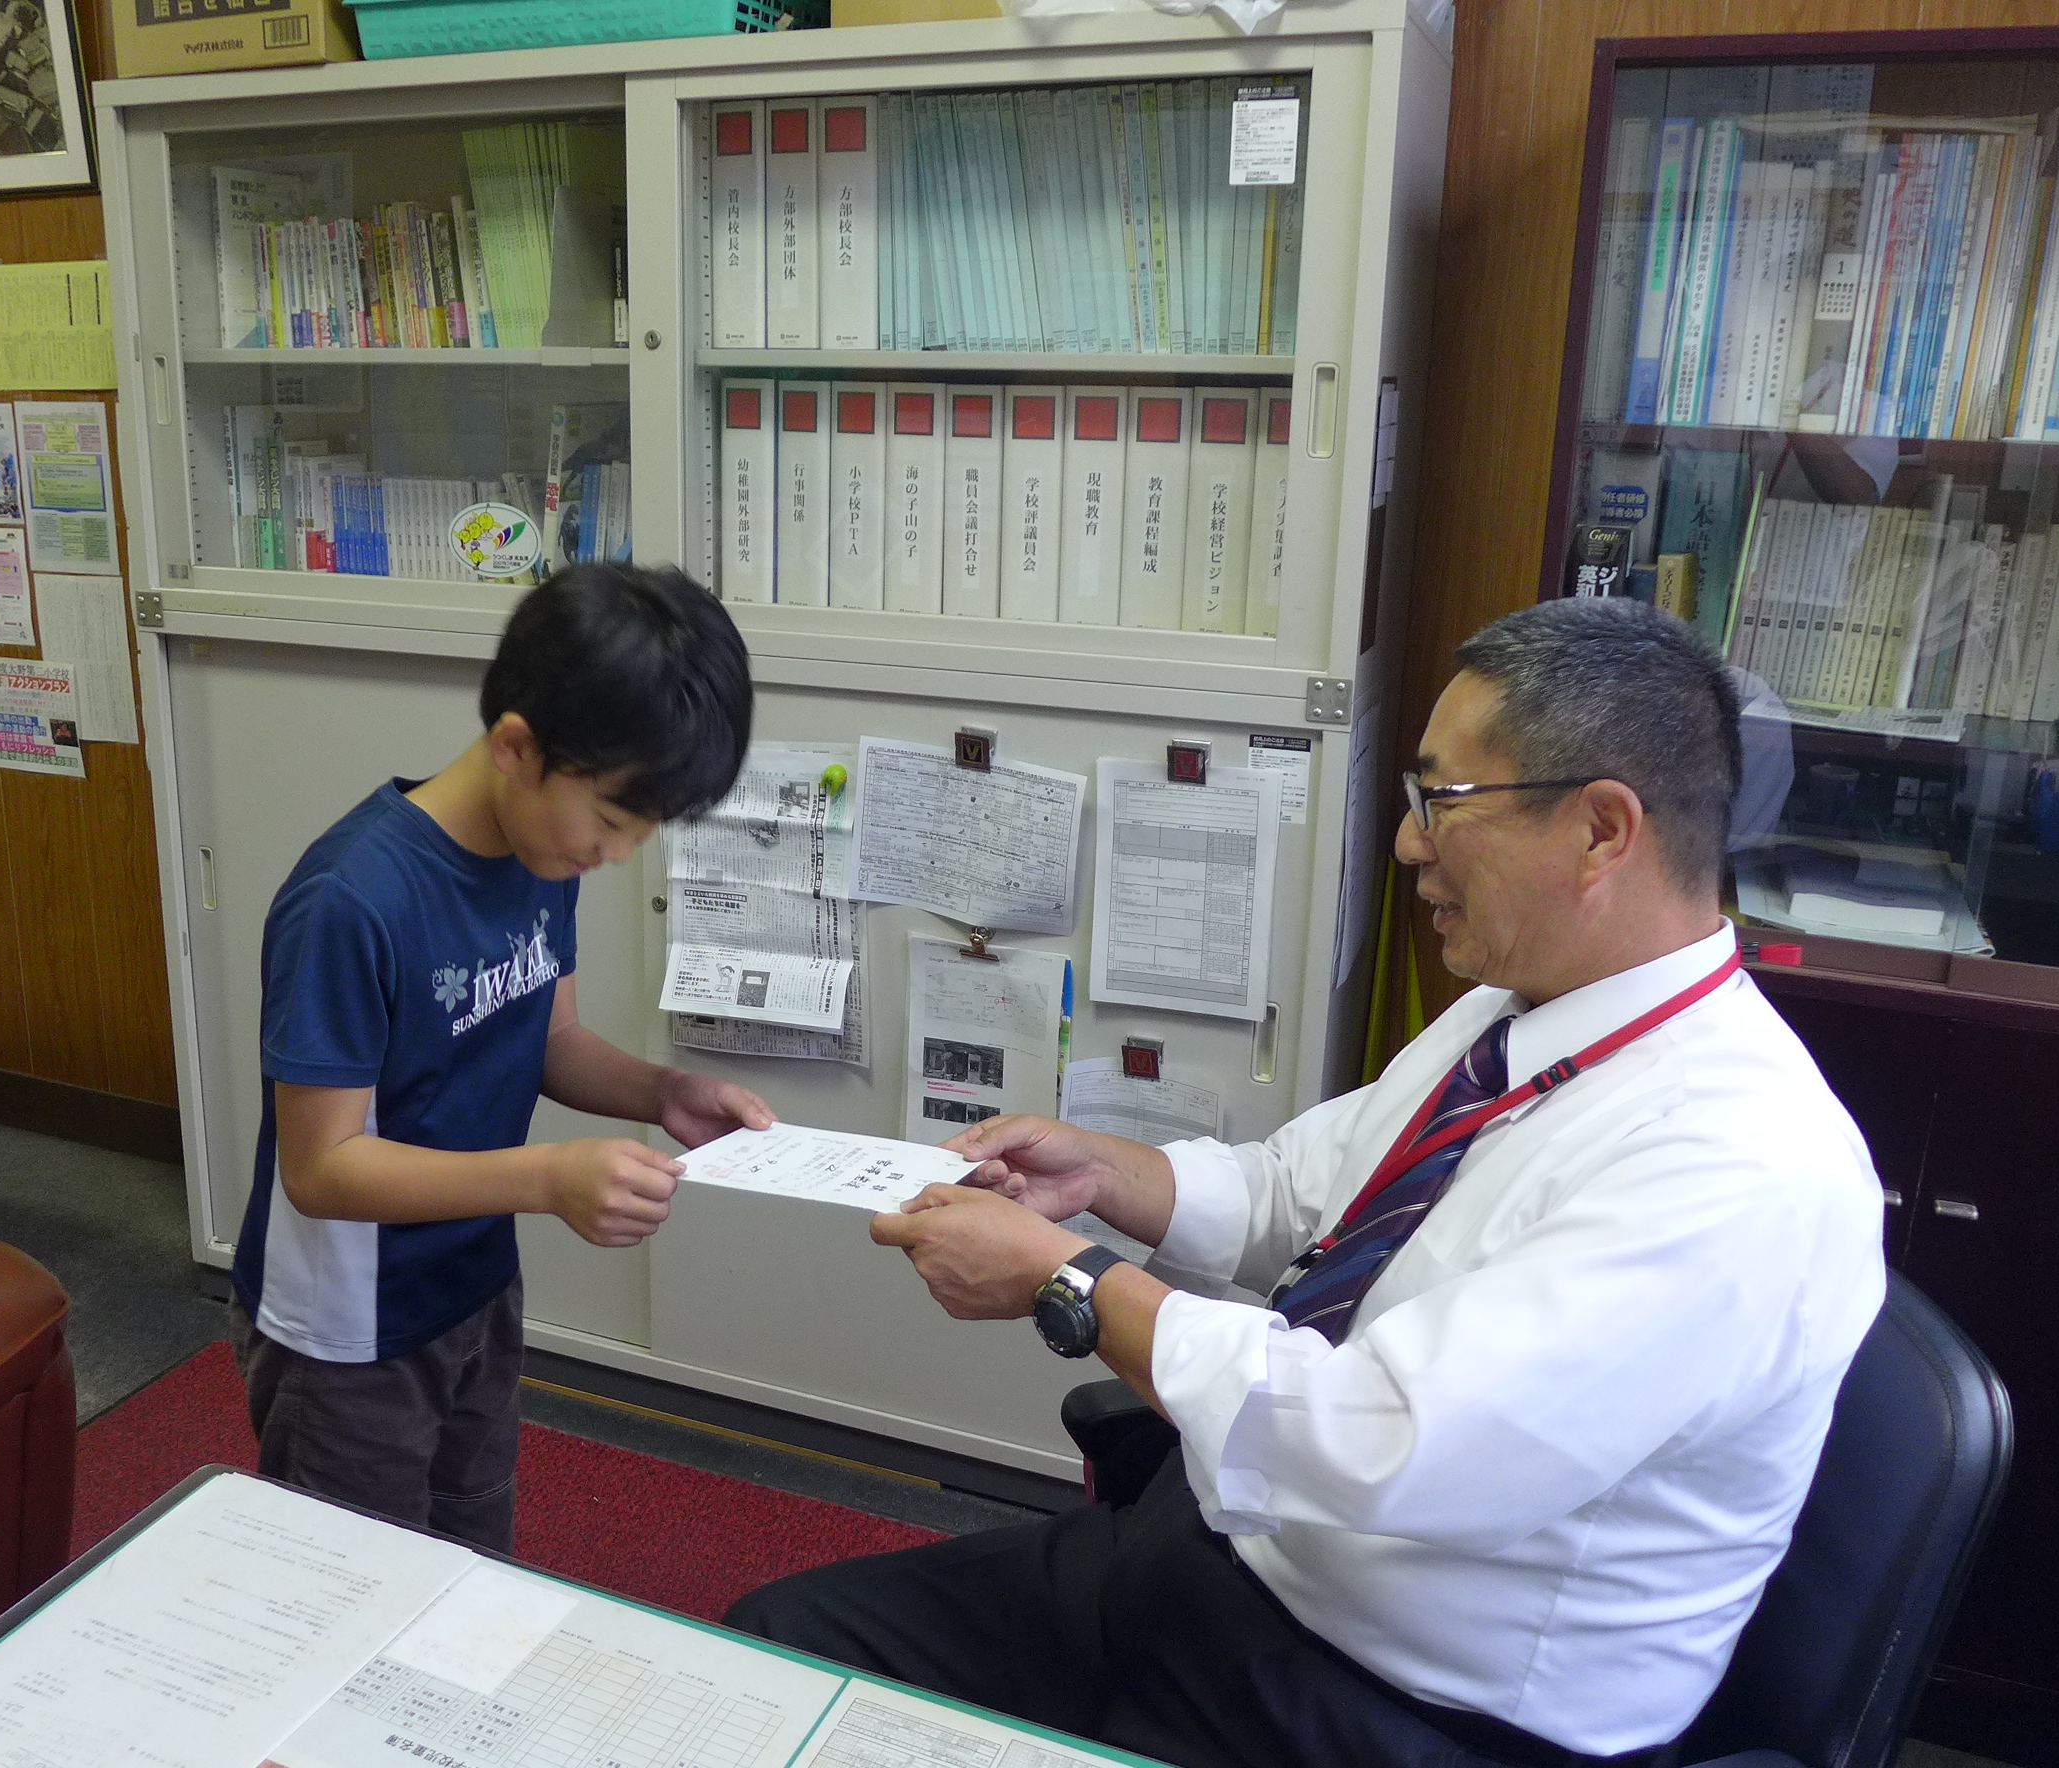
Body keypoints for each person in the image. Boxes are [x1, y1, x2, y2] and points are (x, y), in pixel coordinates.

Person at [728, 598, 1887, 1768]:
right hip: (1223, 1562)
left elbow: (1379, 1443)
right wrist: (1101, 1175)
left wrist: (1067, 1282)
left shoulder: (1737, 1162)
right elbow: (1302, 1193)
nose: (1409, 845)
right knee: (769, 1662)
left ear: (1599, 830)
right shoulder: (1518, 1014)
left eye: (1443, 800)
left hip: (1392, 1712)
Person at [233, 562, 775, 1552]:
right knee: (357, 1586)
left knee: (474, 1555)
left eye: (640, 833)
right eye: (610, 822)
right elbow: (320, 1168)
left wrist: (665, 1091)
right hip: (351, 1328)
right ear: (517, 747)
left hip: (476, 1282)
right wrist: (548, 1178)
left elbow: (551, 1039)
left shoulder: (542, 854)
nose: (615, 856)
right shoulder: (351, 901)